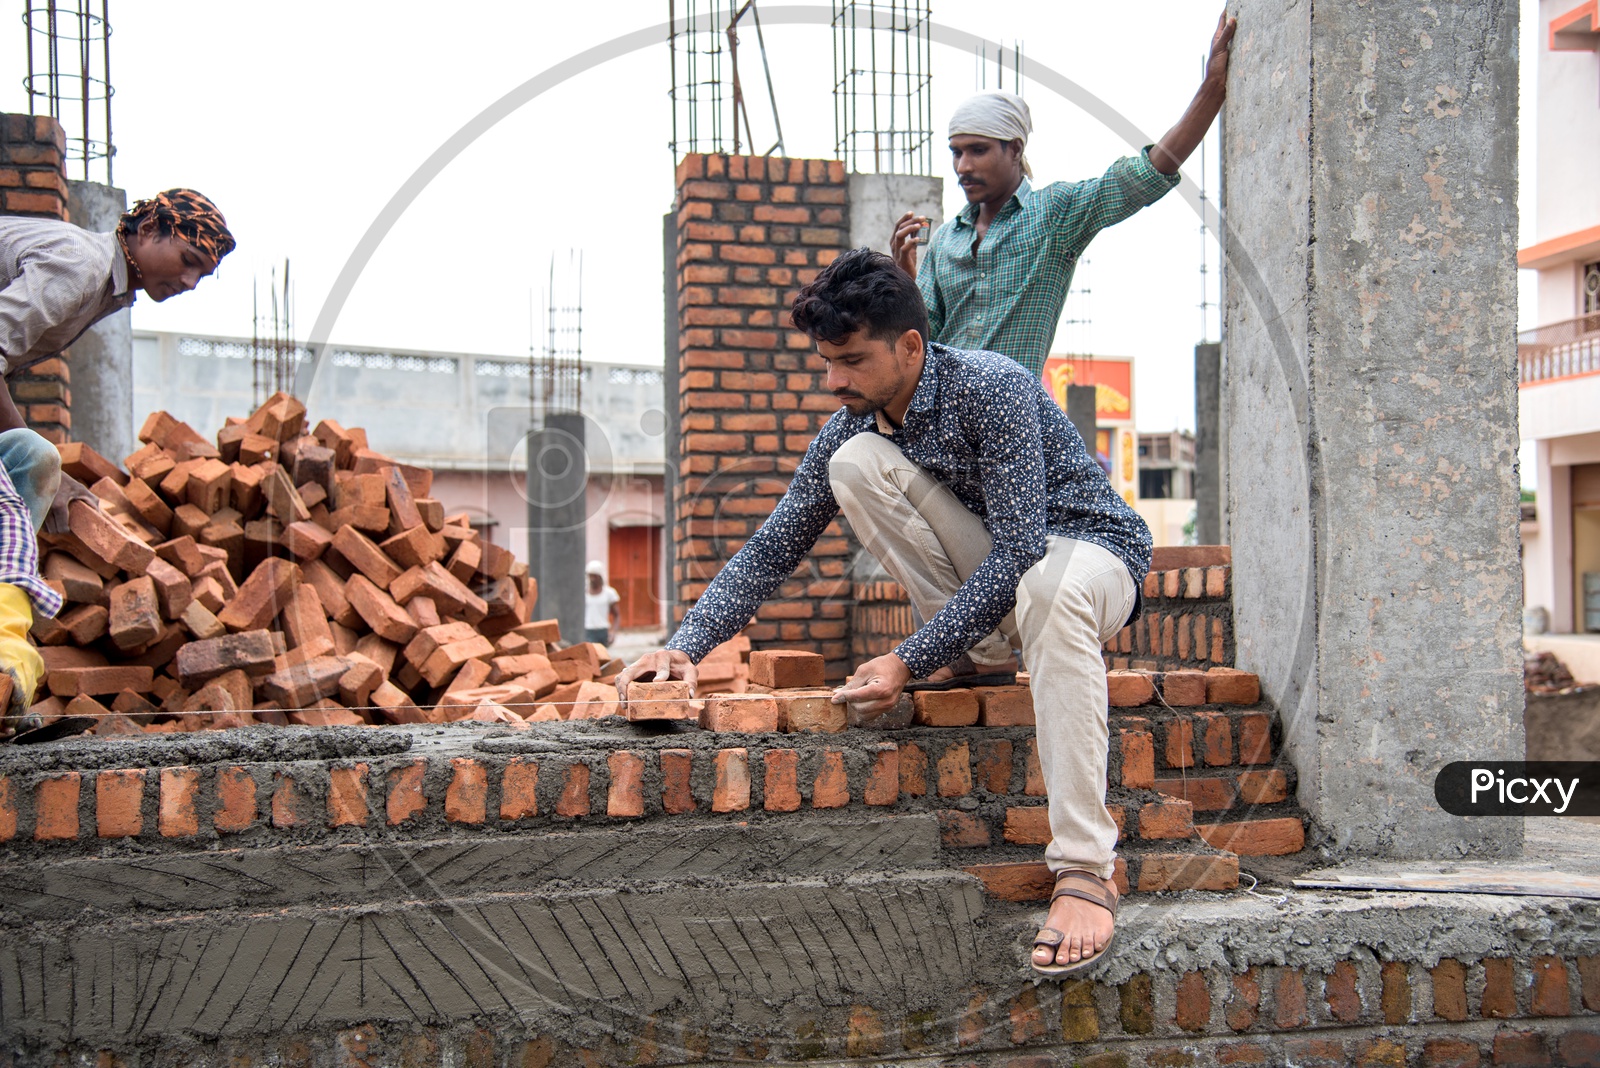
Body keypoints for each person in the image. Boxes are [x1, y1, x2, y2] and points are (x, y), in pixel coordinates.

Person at [619, 248, 1149, 977]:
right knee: (854, 464)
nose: (834, 379)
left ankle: (1087, 869)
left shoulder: (990, 387)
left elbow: (1024, 548)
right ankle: (978, 653)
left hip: (1089, 555)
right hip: (1006, 573)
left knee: (1047, 589)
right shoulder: (855, 421)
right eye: (827, 361)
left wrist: (906, 659)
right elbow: (777, 543)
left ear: (909, 346)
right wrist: (687, 642)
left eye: (851, 360)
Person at [890, 11, 1236, 377]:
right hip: (943, 422)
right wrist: (904, 283)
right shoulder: (944, 241)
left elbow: (1142, 176)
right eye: (956, 152)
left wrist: (1211, 89)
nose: (963, 166)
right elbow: (920, 348)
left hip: (1010, 417)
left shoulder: (1053, 214)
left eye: (978, 150)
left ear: (1015, 150)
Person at [0, 188, 235, 728]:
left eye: (204, 274)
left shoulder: (103, 284)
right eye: (188, 260)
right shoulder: (81, 268)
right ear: (148, 231)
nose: (191, 282)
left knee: (32, 462)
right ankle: (7, 675)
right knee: (5, 512)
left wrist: (53, 476)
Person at [584, 560, 621, 647]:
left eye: (595, 576)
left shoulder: (609, 593)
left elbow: (617, 615)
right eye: (591, 576)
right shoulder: (584, 593)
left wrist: (613, 632)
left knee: (603, 658)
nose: (592, 579)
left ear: (600, 576)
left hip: (602, 631)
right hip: (587, 631)